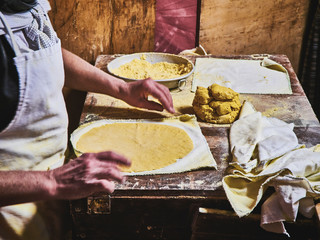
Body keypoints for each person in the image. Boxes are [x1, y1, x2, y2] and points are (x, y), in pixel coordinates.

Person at [0, 0, 175, 239]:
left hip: (54, 186)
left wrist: (120, 88)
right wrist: (51, 181)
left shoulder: (22, 4)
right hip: (11, 211)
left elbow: (44, 52)